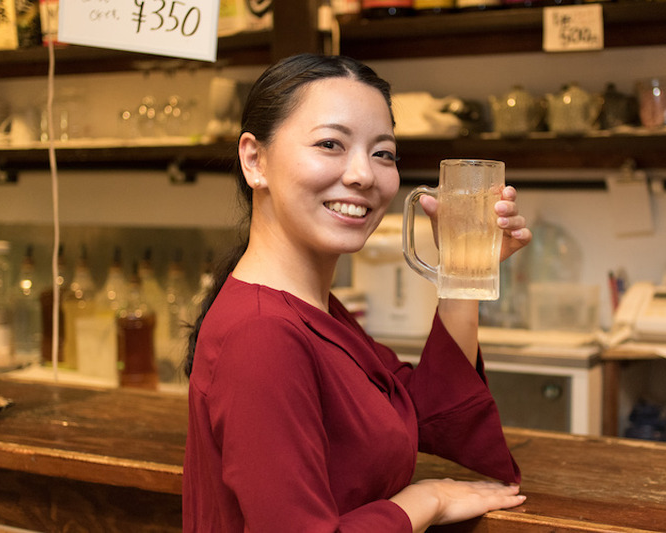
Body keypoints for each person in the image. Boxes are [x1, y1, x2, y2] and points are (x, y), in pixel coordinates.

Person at [182, 53, 533, 532]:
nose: (364, 175)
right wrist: (425, 501)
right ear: (254, 159)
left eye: (383, 152)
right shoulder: (262, 334)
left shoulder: (311, 308)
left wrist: (464, 269)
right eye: (330, 144)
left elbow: (420, 412)